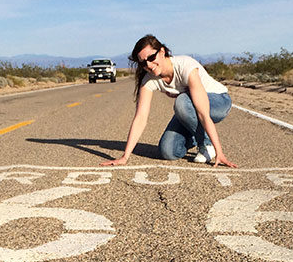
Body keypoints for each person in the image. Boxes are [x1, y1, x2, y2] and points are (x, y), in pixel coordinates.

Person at [100, 34, 238, 168]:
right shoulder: (149, 80)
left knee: (182, 102)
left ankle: (206, 145)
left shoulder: (185, 66)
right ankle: (194, 137)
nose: (149, 64)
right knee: (168, 151)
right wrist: (125, 157)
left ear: (162, 51)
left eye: (151, 57)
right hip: (189, 109)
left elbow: (203, 114)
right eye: (143, 62)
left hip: (218, 101)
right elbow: (140, 118)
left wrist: (219, 152)